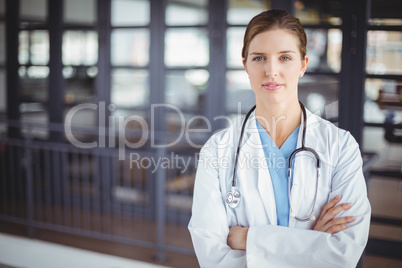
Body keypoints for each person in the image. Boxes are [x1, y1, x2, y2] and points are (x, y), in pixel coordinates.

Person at [188, 9, 371, 267]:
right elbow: (213, 256)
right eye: (259, 58)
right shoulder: (217, 150)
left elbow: (343, 252)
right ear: (246, 66)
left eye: (285, 57)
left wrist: (249, 238)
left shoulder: (340, 146)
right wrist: (311, 243)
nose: (271, 70)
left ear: (303, 65)